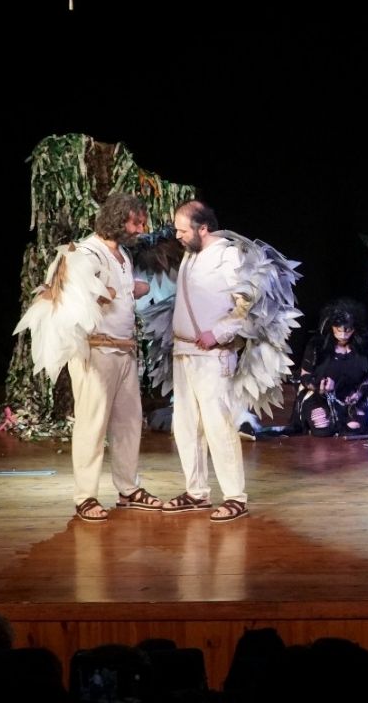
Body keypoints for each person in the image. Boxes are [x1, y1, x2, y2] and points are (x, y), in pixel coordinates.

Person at [16, 193, 164, 522]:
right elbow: (67, 295)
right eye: (136, 222)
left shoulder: (122, 254)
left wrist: (131, 288)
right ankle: (85, 496)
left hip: (124, 350)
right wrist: (108, 292)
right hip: (96, 351)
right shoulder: (86, 253)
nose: (141, 229)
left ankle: (128, 489)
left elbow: (116, 292)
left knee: (128, 424)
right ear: (118, 219)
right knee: (92, 425)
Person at [162, 200, 250, 522]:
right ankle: (196, 492)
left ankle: (235, 496)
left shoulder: (228, 255)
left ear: (203, 228)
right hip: (184, 352)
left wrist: (220, 332)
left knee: (218, 425)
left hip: (214, 355)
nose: (178, 236)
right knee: (186, 425)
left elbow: (247, 305)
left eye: (183, 230)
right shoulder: (190, 255)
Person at [293, 298, 368, 437]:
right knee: (322, 429)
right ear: (331, 326)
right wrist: (319, 386)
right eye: (338, 330)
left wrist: (359, 392)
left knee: (354, 428)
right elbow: (304, 375)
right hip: (320, 397)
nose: (343, 335)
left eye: (348, 330)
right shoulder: (317, 345)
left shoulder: (365, 344)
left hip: (354, 397)